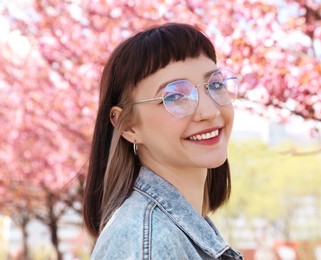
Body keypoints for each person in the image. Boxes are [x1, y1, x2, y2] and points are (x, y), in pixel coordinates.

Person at [83, 23, 243, 259]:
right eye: (176, 96)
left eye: (215, 84)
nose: (210, 111)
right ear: (127, 125)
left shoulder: (174, 230)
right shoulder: (148, 240)